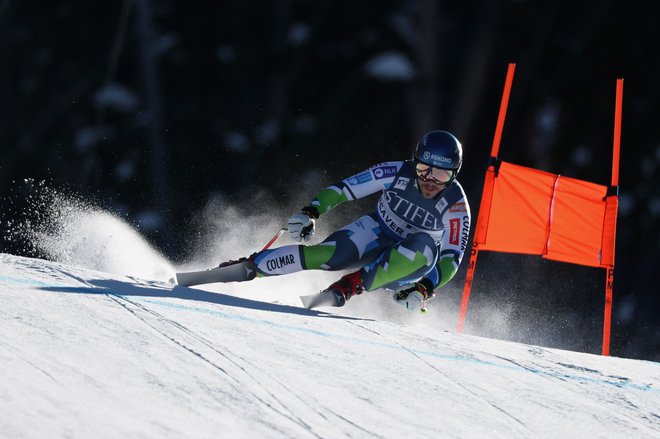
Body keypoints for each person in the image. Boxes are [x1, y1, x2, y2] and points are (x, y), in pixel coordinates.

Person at [220, 130, 471, 312]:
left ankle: (350, 286)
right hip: (379, 231)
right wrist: (311, 213)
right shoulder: (395, 172)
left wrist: (424, 288)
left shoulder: (456, 205)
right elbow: (344, 189)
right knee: (330, 256)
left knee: (425, 246)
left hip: (409, 266)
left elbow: (451, 259)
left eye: (440, 174)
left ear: (454, 174)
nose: (430, 180)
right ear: (414, 163)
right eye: (424, 170)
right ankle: (253, 266)